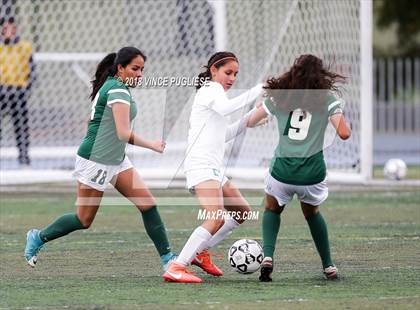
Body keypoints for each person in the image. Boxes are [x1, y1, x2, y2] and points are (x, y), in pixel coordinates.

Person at [24, 47, 177, 271]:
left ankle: (168, 260)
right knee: (83, 219)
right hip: (95, 160)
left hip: (115, 159)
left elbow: (94, 121)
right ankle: (38, 237)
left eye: (142, 69)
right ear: (120, 68)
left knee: (148, 205)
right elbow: (123, 133)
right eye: (135, 68)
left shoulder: (116, 87)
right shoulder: (118, 90)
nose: (140, 74)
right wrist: (152, 145)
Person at [246, 54, 352, 281]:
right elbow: (344, 133)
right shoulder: (327, 98)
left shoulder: (280, 97)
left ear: (294, 72)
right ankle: (328, 265)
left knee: (272, 209)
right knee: (312, 213)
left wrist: (261, 111)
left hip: (282, 171)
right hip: (311, 174)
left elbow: (250, 121)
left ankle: (268, 256)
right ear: (320, 75)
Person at [163, 51, 263, 283]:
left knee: (241, 212)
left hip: (214, 167)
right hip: (201, 165)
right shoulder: (211, 89)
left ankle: (200, 251)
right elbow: (227, 109)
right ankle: (177, 266)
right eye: (228, 72)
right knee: (215, 217)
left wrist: (254, 115)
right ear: (213, 71)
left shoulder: (214, 95)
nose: (232, 78)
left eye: (236, 74)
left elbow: (226, 133)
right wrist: (258, 89)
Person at [0, 16, 34, 166]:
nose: (10, 32)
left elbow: (32, 68)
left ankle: (24, 157)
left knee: (21, 125)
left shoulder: (25, 46)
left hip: (18, 90)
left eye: (12, 28)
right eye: (6, 28)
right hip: (1, 90)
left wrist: (29, 86)